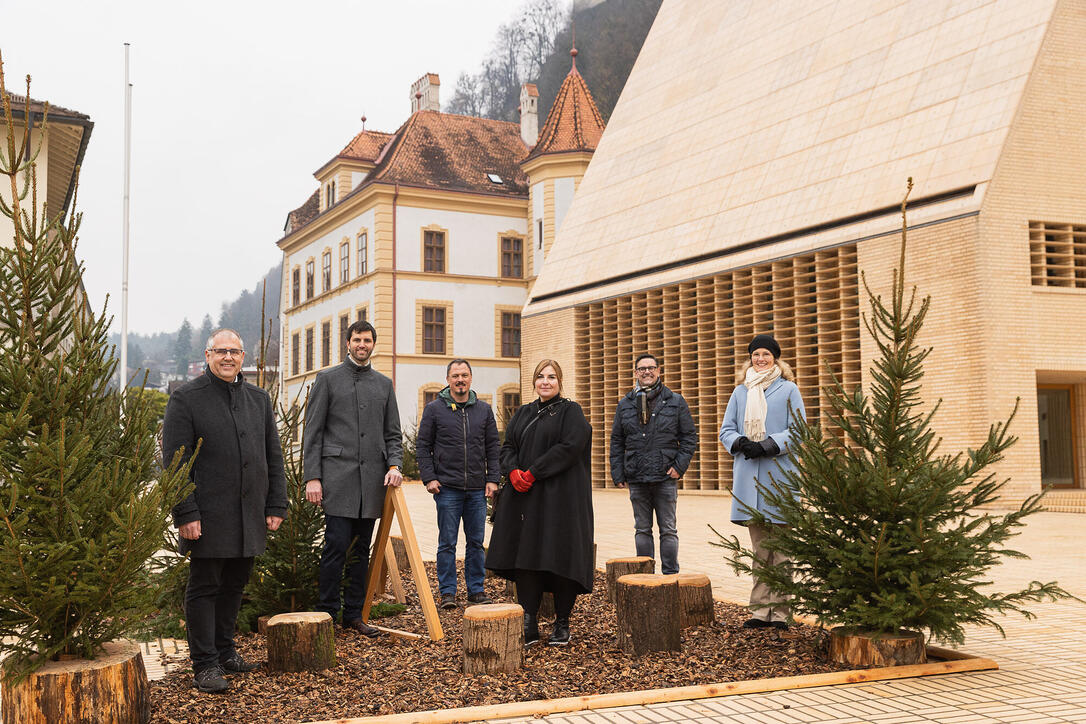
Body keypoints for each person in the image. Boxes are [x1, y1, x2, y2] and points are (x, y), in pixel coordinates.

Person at [164, 328, 287, 693]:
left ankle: (226, 651)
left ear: (243, 357)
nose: (228, 358)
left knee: (235, 583)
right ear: (207, 355)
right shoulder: (185, 399)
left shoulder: (258, 399)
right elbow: (175, 462)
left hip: (250, 511)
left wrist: (276, 502)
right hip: (207, 513)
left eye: (234, 352)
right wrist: (185, 513)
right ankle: (204, 665)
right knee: (205, 587)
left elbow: (272, 456)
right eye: (221, 352)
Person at [303, 320, 402, 637]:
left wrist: (395, 465)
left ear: (374, 344)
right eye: (357, 339)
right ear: (347, 343)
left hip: (371, 483)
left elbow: (393, 434)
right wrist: (313, 477)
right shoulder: (328, 379)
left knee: (361, 552)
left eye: (368, 340)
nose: (362, 344)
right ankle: (327, 614)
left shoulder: (383, 385)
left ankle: (355, 616)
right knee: (335, 547)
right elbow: (312, 433)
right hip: (337, 480)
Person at [486, 359, 593, 646]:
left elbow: (570, 448)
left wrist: (534, 472)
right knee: (527, 558)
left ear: (560, 381)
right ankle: (529, 620)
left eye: (552, 377)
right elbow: (508, 446)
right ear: (534, 381)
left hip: (560, 501)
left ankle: (562, 622)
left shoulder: (571, 412)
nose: (545, 382)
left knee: (560, 556)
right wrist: (512, 471)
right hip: (526, 501)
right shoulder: (523, 413)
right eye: (540, 377)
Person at [718, 334, 806, 630]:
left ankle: (781, 613)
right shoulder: (741, 392)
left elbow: (798, 431)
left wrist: (769, 444)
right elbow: (725, 430)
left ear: (776, 358)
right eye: (756, 355)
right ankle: (760, 611)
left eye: (766, 354)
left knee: (781, 552)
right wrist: (740, 441)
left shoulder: (789, 389)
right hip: (750, 482)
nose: (760, 359)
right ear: (750, 359)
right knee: (760, 551)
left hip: (779, 477)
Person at [416, 359, 501, 609]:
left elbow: (493, 447)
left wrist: (493, 479)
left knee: (476, 542)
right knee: (447, 543)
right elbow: (423, 446)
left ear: (471, 378)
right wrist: (429, 477)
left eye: (464, 375)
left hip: (477, 489)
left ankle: (476, 590)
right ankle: (448, 593)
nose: (460, 380)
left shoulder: (484, 410)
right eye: (455, 376)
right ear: (448, 380)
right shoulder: (434, 409)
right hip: (447, 489)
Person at [609, 353, 697, 574]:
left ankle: (670, 576)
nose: (646, 372)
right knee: (642, 529)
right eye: (642, 368)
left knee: (668, 530)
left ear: (658, 371)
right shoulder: (625, 404)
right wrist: (618, 473)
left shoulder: (675, 401)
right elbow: (617, 440)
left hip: (665, 476)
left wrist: (679, 467)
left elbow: (689, 437)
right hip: (637, 476)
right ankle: (645, 577)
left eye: (651, 368)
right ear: (636, 373)